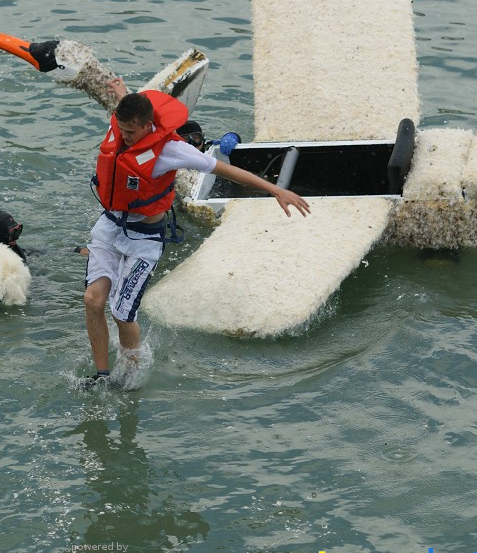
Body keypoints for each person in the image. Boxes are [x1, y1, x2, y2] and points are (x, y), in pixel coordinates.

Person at [80, 78, 310, 388]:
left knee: (122, 313)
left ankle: (130, 376)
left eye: (132, 132)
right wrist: (122, 94)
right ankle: (102, 377)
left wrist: (274, 190)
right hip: (110, 227)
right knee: (93, 300)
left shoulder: (171, 149)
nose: (125, 137)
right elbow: (124, 116)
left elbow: (223, 169)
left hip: (144, 240)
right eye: (122, 130)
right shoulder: (123, 129)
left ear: (148, 126)